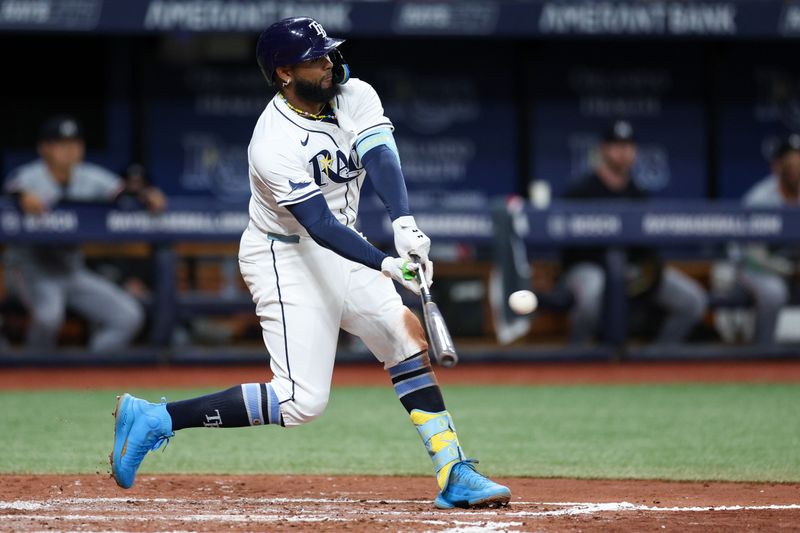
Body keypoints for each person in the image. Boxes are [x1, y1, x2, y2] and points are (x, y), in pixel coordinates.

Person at [110, 17, 511, 510]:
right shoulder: (272, 143)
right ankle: (157, 419)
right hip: (285, 253)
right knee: (301, 402)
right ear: (283, 73)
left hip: (348, 244)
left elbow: (381, 156)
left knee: (404, 338)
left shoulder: (354, 93)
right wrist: (387, 266)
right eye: (316, 59)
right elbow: (319, 224)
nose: (329, 64)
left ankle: (455, 471)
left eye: (328, 53)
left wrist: (404, 222)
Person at [3, 115, 166, 352]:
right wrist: (21, 197)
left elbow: (123, 191)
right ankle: (36, 371)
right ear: (44, 148)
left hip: (72, 270)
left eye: (75, 143)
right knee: (49, 316)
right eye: (61, 144)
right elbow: (11, 191)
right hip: (29, 268)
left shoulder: (89, 176)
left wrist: (147, 193)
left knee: (128, 316)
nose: (70, 150)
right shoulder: (29, 176)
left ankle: (88, 371)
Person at [559, 120, 708, 345]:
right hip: (589, 268)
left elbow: (647, 246)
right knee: (592, 298)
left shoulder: (638, 194)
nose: (623, 152)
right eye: (616, 145)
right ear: (603, 149)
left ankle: (657, 360)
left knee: (693, 301)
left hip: (632, 270)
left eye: (628, 146)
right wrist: (611, 270)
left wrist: (646, 271)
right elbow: (568, 248)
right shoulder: (581, 191)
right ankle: (574, 358)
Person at [732, 133, 800, 344]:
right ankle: (763, 353)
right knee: (773, 292)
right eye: (792, 162)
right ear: (778, 166)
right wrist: (789, 270)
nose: (797, 168)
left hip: (793, 267)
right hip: (755, 268)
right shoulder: (760, 199)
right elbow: (753, 255)